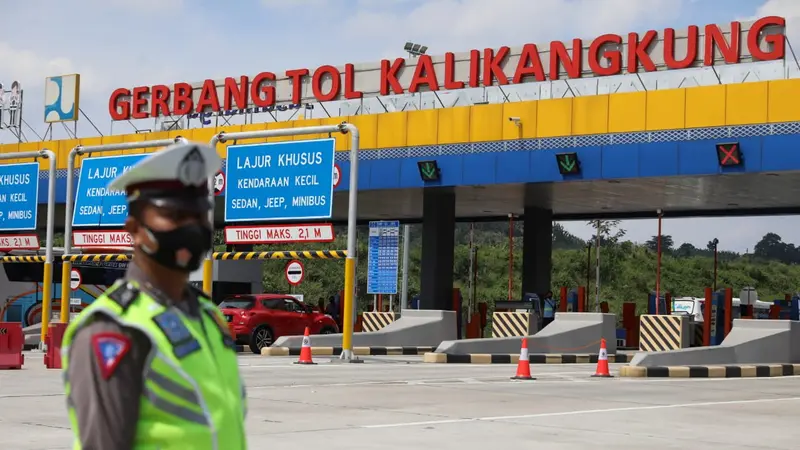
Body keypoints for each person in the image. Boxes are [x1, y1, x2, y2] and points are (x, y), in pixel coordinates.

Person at [60, 142, 248, 450]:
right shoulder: (114, 329)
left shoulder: (207, 315)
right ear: (134, 229)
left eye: (199, 215)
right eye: (174, 215)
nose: (192, 226)